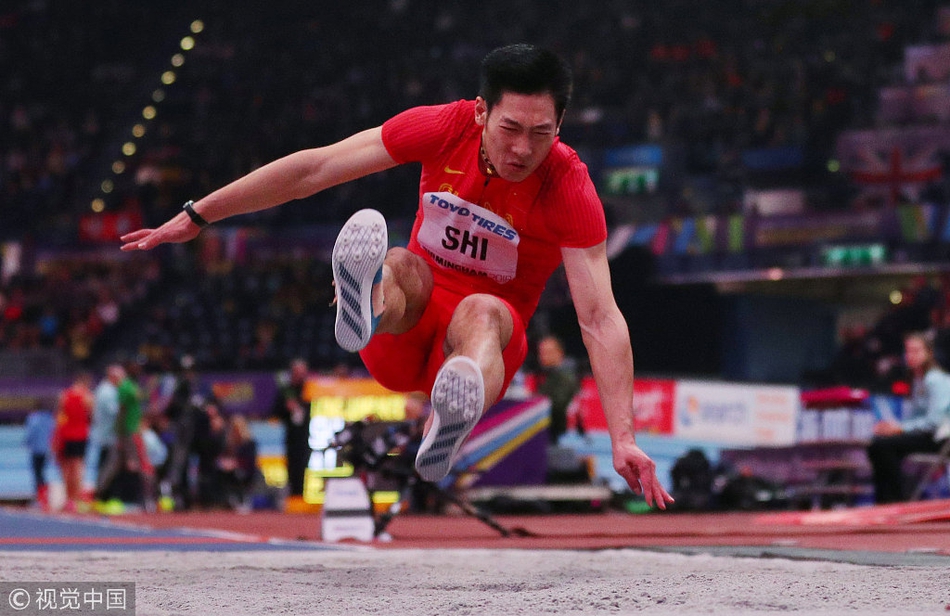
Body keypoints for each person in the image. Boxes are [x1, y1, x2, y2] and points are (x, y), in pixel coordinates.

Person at [120, 44, 673, 508]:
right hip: (403, 330)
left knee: (481, 310)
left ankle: (450, 413)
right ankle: (367, 303)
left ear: (560, 126)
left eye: (540, 132)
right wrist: (199, 214)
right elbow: (315, 168)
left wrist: (622, 436)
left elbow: (600, 317)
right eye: (510, 128)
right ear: (481, 112)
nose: (523, 148)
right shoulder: (442, 126)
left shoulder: (568, 186)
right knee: (404, 263)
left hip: (484, 345)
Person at [867, 332, 950, 503]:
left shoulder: (935, 380)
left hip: (940, 439)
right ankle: (886, 500)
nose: (910, 356)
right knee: (878, 443)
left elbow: (933, 422)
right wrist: (894, 427)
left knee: (882, 447)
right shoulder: (917, 380)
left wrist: (900, 428)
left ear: (929, 353)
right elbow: (915, 419)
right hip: (925, 435)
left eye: (916, 351)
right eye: (908, 351)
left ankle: (894, 501)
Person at [52, 372, 94, 511]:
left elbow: (59, 417)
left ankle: (68, 499)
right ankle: (75, 499)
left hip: (66, 435)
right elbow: (92, 417)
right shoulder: (87, 397)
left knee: (66, 468)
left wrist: (56, 437)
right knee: (78, 468)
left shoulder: (64, 395)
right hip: (80, 436)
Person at [272, 358, 312, 498]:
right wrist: (287, 408)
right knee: (292, 468)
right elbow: (275, 411)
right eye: (298, 372)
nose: (301, 375)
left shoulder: (309, 389)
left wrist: (301, 409)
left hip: (307, 437)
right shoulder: (286, 391)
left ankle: (302, 496)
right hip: (291, 438)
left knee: (303, 467)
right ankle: (293, 497)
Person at [534, 335, 581, 445]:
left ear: (559, 353)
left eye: (548, 352)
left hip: (561, 435)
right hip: (550, 432)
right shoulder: (548, 375)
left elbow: (558, 406)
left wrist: (535, 404)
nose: (543, 356)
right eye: (541, 352)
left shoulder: (565, 376)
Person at [90, 364, 125, 487]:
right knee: (106, 466)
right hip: (107, 436)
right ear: (113, 377)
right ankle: (101, 493)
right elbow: (115, 412)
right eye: (121, 377)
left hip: (107, 435)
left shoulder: (107, 390)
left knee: (105, 465)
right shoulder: (107, 392)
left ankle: (101, 492)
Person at [23, 400, 55, 511]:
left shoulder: (34, 418)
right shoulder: (50, 419)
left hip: (36, 450)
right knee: (42, 473)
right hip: (46, 450)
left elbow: (31, 433)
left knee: (38, 474)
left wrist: (27, 443)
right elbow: (53, 433)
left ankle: (41, 499)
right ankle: (44, 498)